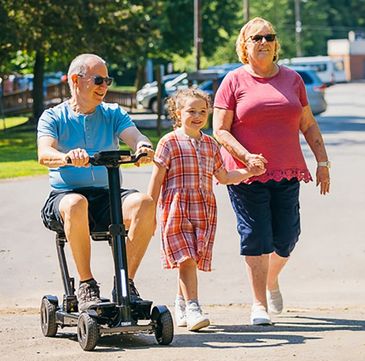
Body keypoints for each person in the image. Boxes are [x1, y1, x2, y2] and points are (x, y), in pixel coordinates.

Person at [213, 17, 331, 325]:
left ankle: (271, 279)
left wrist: (322, 162)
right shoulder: (233, 81)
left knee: (287, 238)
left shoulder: (292, 79)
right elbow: (220, 131)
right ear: (245, 45)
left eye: (269, 36)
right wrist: (246, 156)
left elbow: (308, 124)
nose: (263, 42)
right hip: (246, 175)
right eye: (256, 38)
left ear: (276, 44)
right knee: (256, 237)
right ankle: (258, 304)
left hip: (288, 171)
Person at [37, 53, 155, 311]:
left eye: (108, 80)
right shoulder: (53, 117)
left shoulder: (113, 113)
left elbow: (135, 136)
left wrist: (143, 146)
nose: (105, 86)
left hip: (106, 195)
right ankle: (86, 284)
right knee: (76, 203)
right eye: (99, 80)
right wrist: (66, 157)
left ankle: (125, 283)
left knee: (144, 203)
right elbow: (44, 153)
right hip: (64, 198)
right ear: (76, 80)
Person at [147, 88, 266, 331]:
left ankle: (180, 303)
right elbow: (156, 181)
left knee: (189, 260)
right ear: (178, 113)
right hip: (176, 209)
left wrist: (248, 172)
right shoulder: (168, 142)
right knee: (186, 258)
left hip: (204, 211)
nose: (198, 116)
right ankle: (193, 307)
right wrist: (149, 215)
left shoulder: (211, 145)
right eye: (191, 111)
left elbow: (223, 176)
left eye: (203, 111)